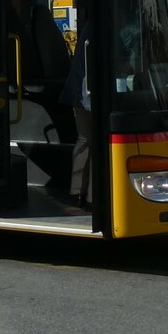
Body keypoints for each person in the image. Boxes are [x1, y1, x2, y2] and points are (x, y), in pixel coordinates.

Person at [60, 31, 91, 208]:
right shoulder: (109, 23)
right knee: (94, 142)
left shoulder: (90, 28)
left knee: (85, 140)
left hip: (80, 93)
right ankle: (92, 196)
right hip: (87, 95)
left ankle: (78, 192)